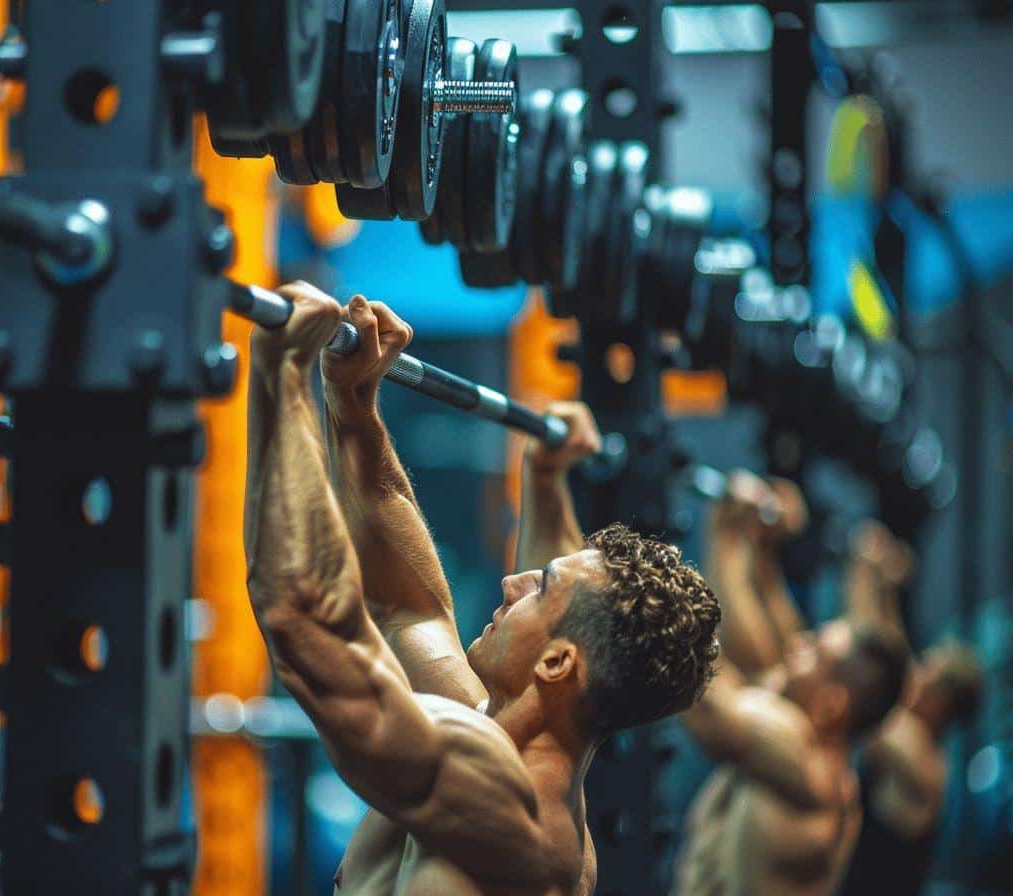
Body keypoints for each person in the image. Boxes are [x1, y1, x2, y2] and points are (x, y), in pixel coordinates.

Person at [243, 283, 722, 895]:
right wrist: (352, 399)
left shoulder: (509, 809)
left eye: (541, 584)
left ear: (556, 662)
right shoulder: (487, 729)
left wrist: (280, 373)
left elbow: (302, 619)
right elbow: (406, 606)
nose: (513, 580)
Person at [674, 471, 911, 896]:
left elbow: (703, 698)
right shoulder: (807, 748)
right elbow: (758, 647)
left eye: (814, 653)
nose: (796, 644)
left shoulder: (802, 764)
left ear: (830, 705)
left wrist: (724, 533)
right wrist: (760, 550)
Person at [837, 521, 984, 896]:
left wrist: (863, 567)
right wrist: (885, 587)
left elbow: (874, 676)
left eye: (926, 676)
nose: (915, 676)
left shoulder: (922, 764)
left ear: (941, 704)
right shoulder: (916, 733)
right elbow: (894, 654)